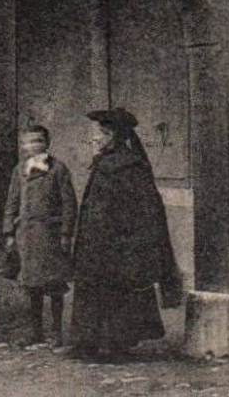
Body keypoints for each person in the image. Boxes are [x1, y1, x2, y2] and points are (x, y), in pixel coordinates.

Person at [70, 107, 180, 361]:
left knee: (116, 292)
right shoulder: (105, 162)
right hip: (95, 242)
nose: (95, 139)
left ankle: (115, 345)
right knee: (94, 290)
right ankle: (89, 343)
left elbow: (142, 208)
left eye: (100, 134)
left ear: (113, 136)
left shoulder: (128, 165)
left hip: (118, 244)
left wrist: (126, 240)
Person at [3, 124, 78, 348]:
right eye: (29, 142)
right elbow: (12, 202)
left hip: (50, 235)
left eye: (38, 141)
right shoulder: (20, 170)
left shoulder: (58, 169)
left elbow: (69, 203)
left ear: (47, 143)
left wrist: (66, 233)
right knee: (31, 286)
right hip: (26, 235)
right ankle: (35, 331)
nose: (33, 145)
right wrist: (9, 232)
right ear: (23, 146)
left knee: (54, 285)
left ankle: (56, 332)